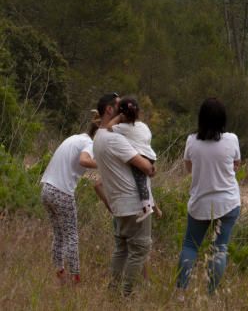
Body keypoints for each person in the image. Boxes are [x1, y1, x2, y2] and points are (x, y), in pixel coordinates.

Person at [92, 92, 155, 295]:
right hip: (134, 204)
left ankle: (113, 292)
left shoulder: (98, 138)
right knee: (139, 250)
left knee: (121, 250)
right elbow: (145, 166)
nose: (122, 112)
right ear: (109, 110)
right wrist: (152, 168)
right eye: (119, 107)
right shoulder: (114, 140)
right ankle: (126, 295)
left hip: (118, 203)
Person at [176, 98, 241, 295]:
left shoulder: (191, 141)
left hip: (200, 203)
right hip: (228, 202)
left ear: (201, 118)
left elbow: (189, 168)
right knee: (220, 247)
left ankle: (181, 292)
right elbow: (236, 165)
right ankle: (211, 294)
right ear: (223, 118)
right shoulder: (232, 139)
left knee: (190, 245)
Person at [41, 117, 99, 283]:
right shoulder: (90, 144)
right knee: (71, 236)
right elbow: (84, 160)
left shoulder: (74, 138)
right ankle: (75, 278)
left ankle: (59, 272)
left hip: (46, 189)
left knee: (59, 234)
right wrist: (104, 163)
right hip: (62, 192)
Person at [107, 95, 162, 222]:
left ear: (122, 114)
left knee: (140, 182)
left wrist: (118, 118)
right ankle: (152, 206)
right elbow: (148, 137)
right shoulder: (143, 126)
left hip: (141, 157)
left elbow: (109, 127)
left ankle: (146, 207)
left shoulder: (123, 128)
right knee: (144, 182)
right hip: (150, 155)